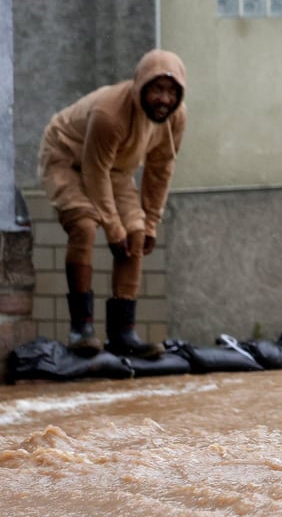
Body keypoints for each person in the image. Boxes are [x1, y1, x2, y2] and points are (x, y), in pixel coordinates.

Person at [38, 49, 187, 359]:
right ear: (141, 86)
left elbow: (161, 170)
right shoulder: (110, 114)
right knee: (84, 225)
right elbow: (93, 171)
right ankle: (82, 329)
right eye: (157, 89)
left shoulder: (175, 118)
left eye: (172, 91)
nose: (164, 99)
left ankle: (122, 333)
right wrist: (112, 226)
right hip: (66, 155)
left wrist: (150, 223)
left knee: (136, 235)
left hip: (115, 168)